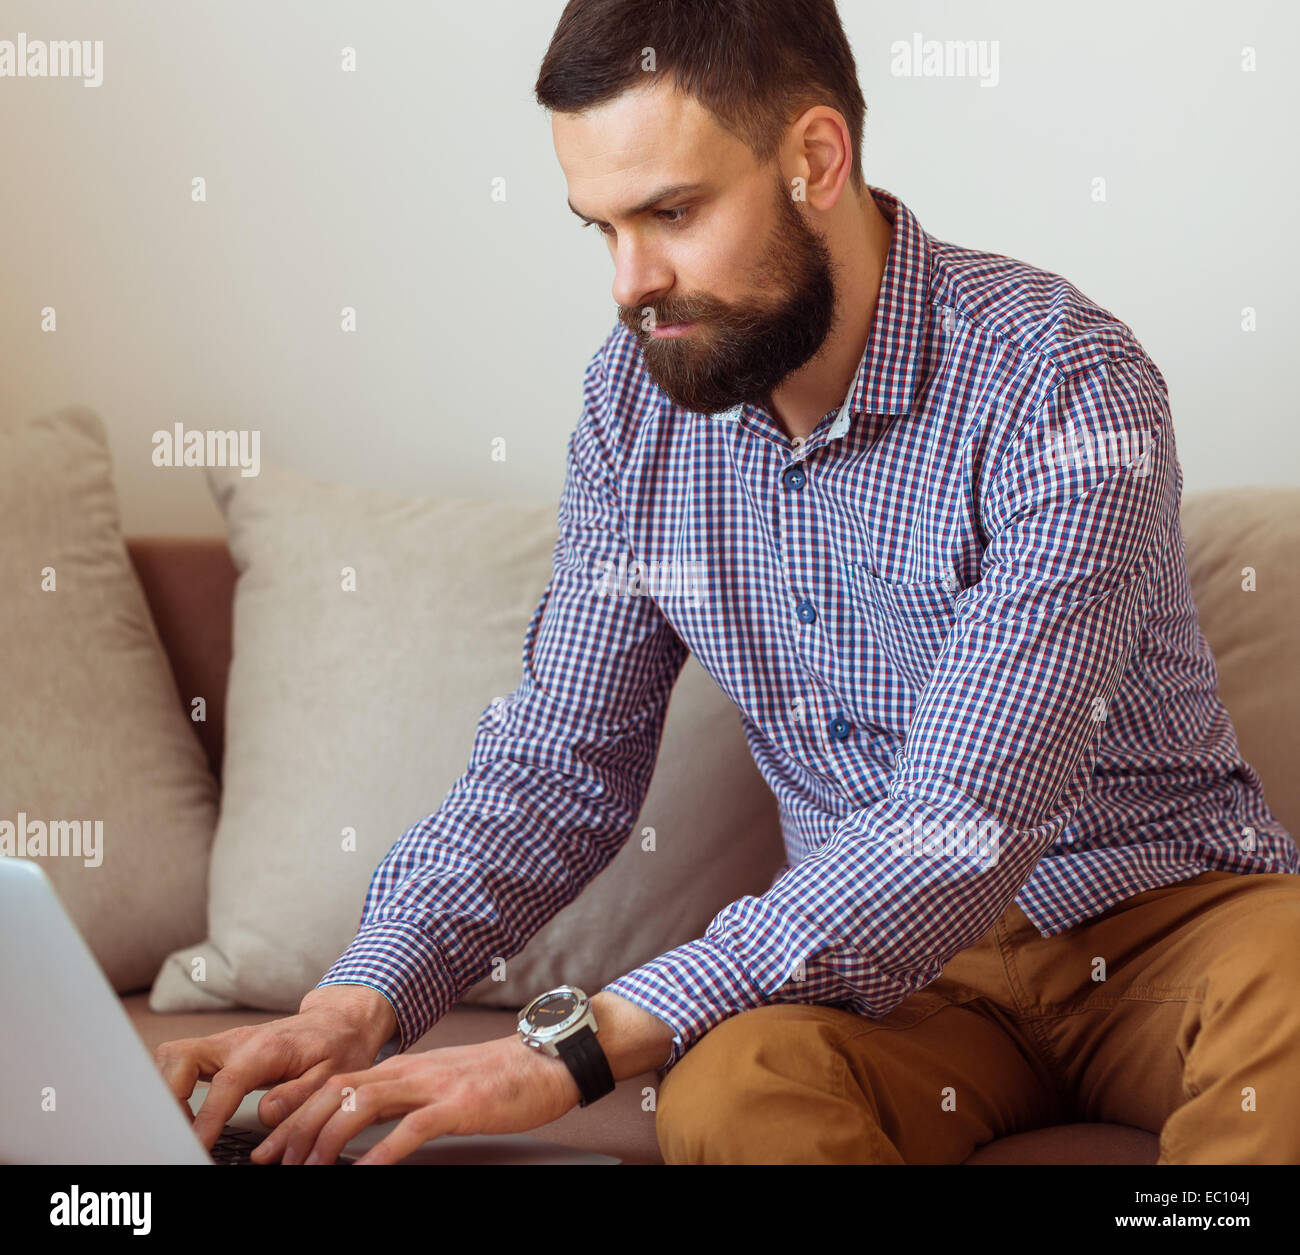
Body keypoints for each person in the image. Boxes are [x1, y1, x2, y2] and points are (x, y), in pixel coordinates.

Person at [154, 0, 1300, 1165]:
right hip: (889, 988)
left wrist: (577, 1045)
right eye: (599, 228)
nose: (628, 283)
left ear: (813, 158)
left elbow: (963, 817)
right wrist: (359, 998)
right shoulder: (632, 405)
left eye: (671, 213)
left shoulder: (1062, 381)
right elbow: (561, 763)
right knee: (734, 1087)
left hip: (1162, 923)